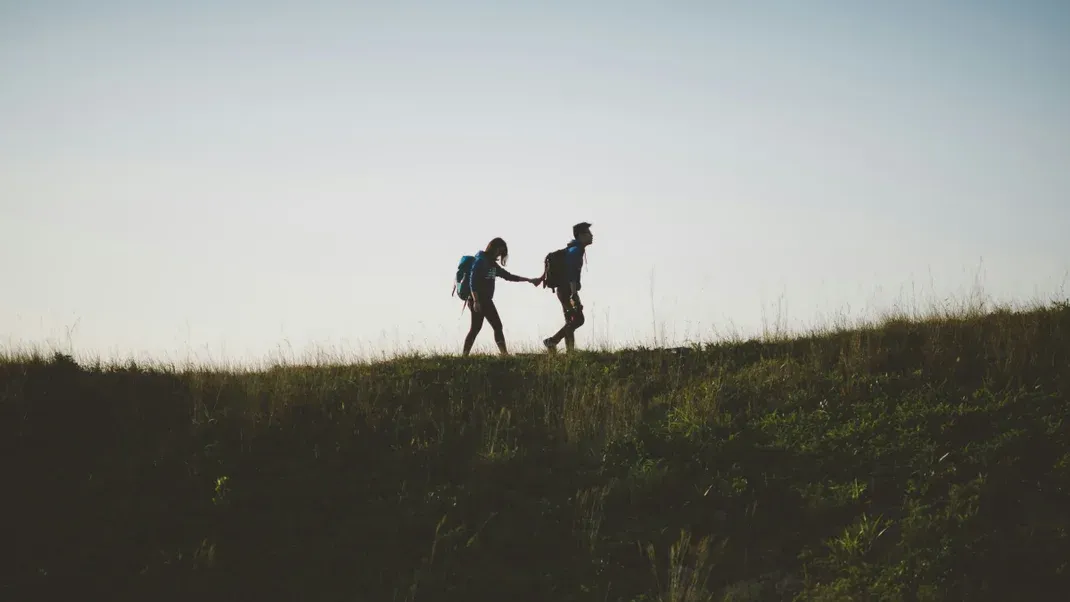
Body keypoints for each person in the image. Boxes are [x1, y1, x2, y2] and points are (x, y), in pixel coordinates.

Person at [464, 237, 540, 356]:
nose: (500, 254)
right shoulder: (481, 260)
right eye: (500, 251)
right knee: (483, 328)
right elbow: (472, 281)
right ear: (493, 247)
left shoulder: (491, 264)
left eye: (502, 252)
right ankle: (467, 356)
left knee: (490, 327)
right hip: (478, 300)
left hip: (486, 300)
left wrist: (529, 280)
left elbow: (508, 276)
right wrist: (476, 301)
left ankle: (503, 354)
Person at [542, 222, 594, 353]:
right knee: (578, 319)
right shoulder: (576, 251)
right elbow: (571, 272)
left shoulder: (573, 249)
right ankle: (552, 341)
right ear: (581, 235)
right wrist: (574, 293)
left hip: (563, 289)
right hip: (567, 290)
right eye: (589, 233)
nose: (592, 235)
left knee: (570, 320)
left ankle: (570, 352)